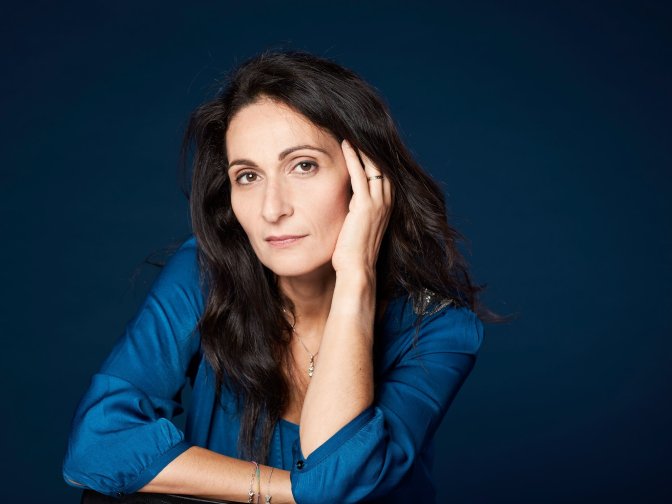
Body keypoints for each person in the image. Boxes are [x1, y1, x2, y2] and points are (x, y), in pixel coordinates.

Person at [62, 49, 493, 504]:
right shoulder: (206, 273)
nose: (272, 209)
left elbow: (341, 476)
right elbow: (96, 444)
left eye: (303, 165)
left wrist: (355, 278)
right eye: (248, 176)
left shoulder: (439, 328)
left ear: (368, 178)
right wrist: (287, 490)